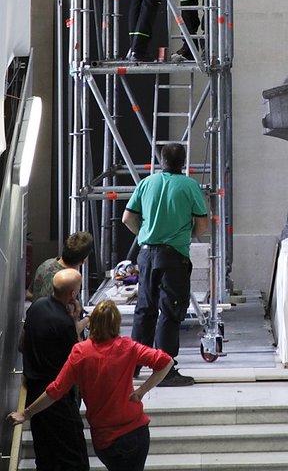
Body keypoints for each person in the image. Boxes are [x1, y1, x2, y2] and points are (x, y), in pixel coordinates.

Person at [9, 299, 173, 471]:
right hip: (135, 432)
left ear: (92, 323)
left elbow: (55, 390)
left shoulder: (81, 352)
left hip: (104, 439)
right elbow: (166, 362)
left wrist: (26, 413)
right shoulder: (127, 347)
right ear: (116, 324)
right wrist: (141, 391)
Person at [122, 142, 208, 387]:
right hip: (173, 257)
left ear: (162, 161)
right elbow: (202, 225)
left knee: (144, 310)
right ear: (183, 162)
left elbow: (127, 218)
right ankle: (164, 371)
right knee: (170, 312)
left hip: (146, 254)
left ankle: (134, 365)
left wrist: (144, 235)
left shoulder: (146, 183)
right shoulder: (189, 186)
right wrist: (185, 235)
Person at [16, 268, 90, 470]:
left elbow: (22, 344)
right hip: (56, 397)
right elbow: (77, 359)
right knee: (74, 459)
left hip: (34, 392)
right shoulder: (65, 323)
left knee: (45, 456)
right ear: (73, 294)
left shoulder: (37, 306)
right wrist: (75, 321)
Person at [30, 230, 93, 302]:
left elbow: (29, 293)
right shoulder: (69, 281)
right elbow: (74, 308)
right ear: (84, 260)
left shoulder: (45, 265)